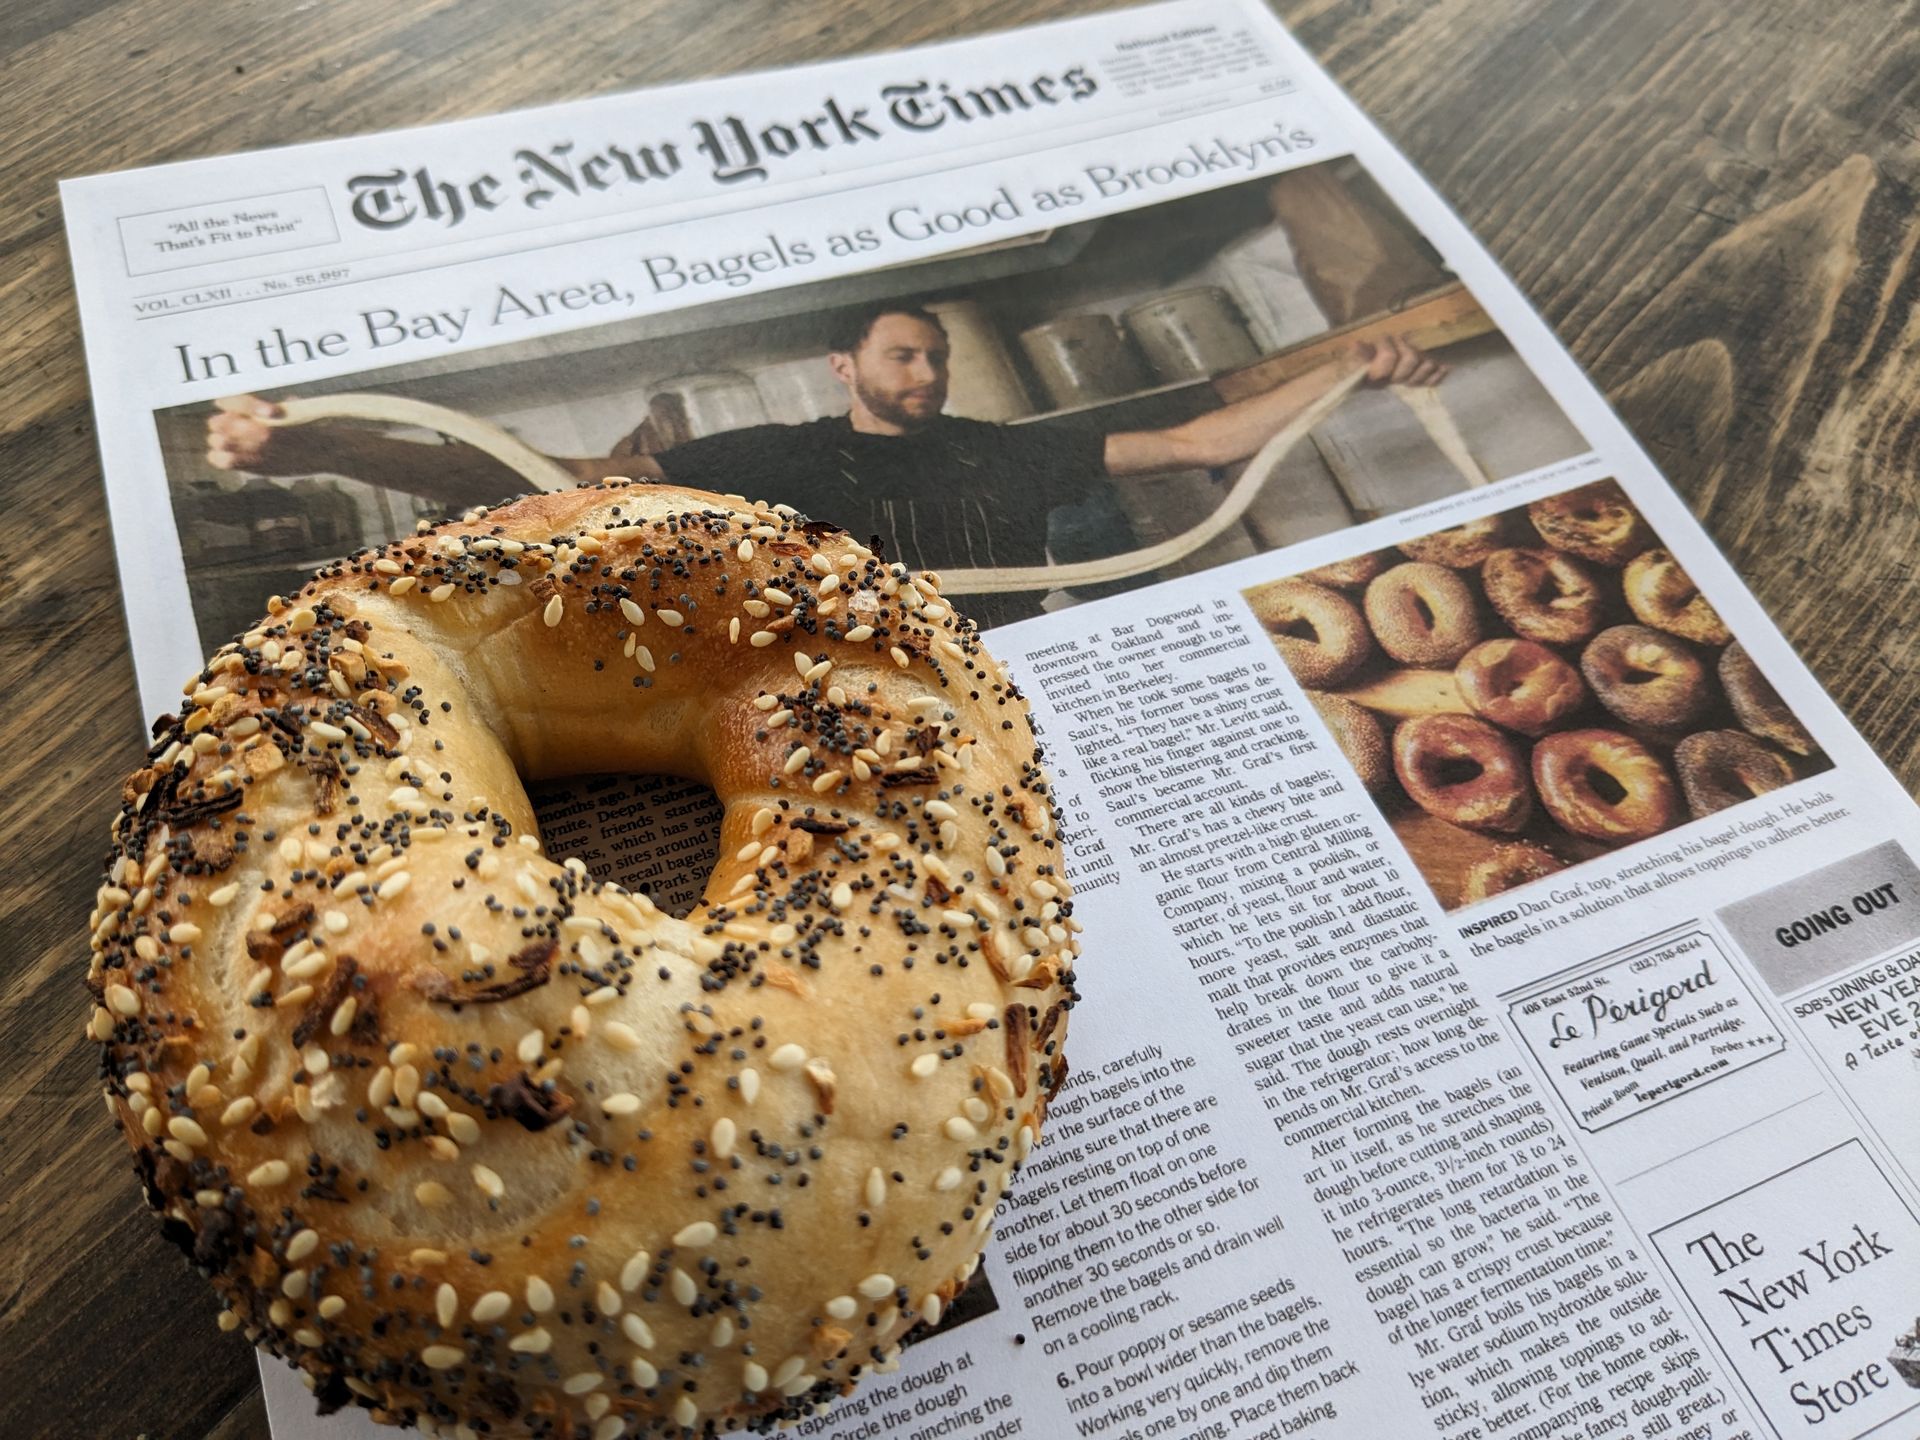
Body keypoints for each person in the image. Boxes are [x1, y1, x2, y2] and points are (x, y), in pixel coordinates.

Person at [206, 303, 1444, 619]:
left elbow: (1197, 441)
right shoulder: (770, 458)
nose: (927, 376)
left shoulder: (1003, 452)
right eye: (903, 358)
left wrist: (1348, 373)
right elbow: (536, 476)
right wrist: (305, 444)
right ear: (845, 368)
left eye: (938, 359)